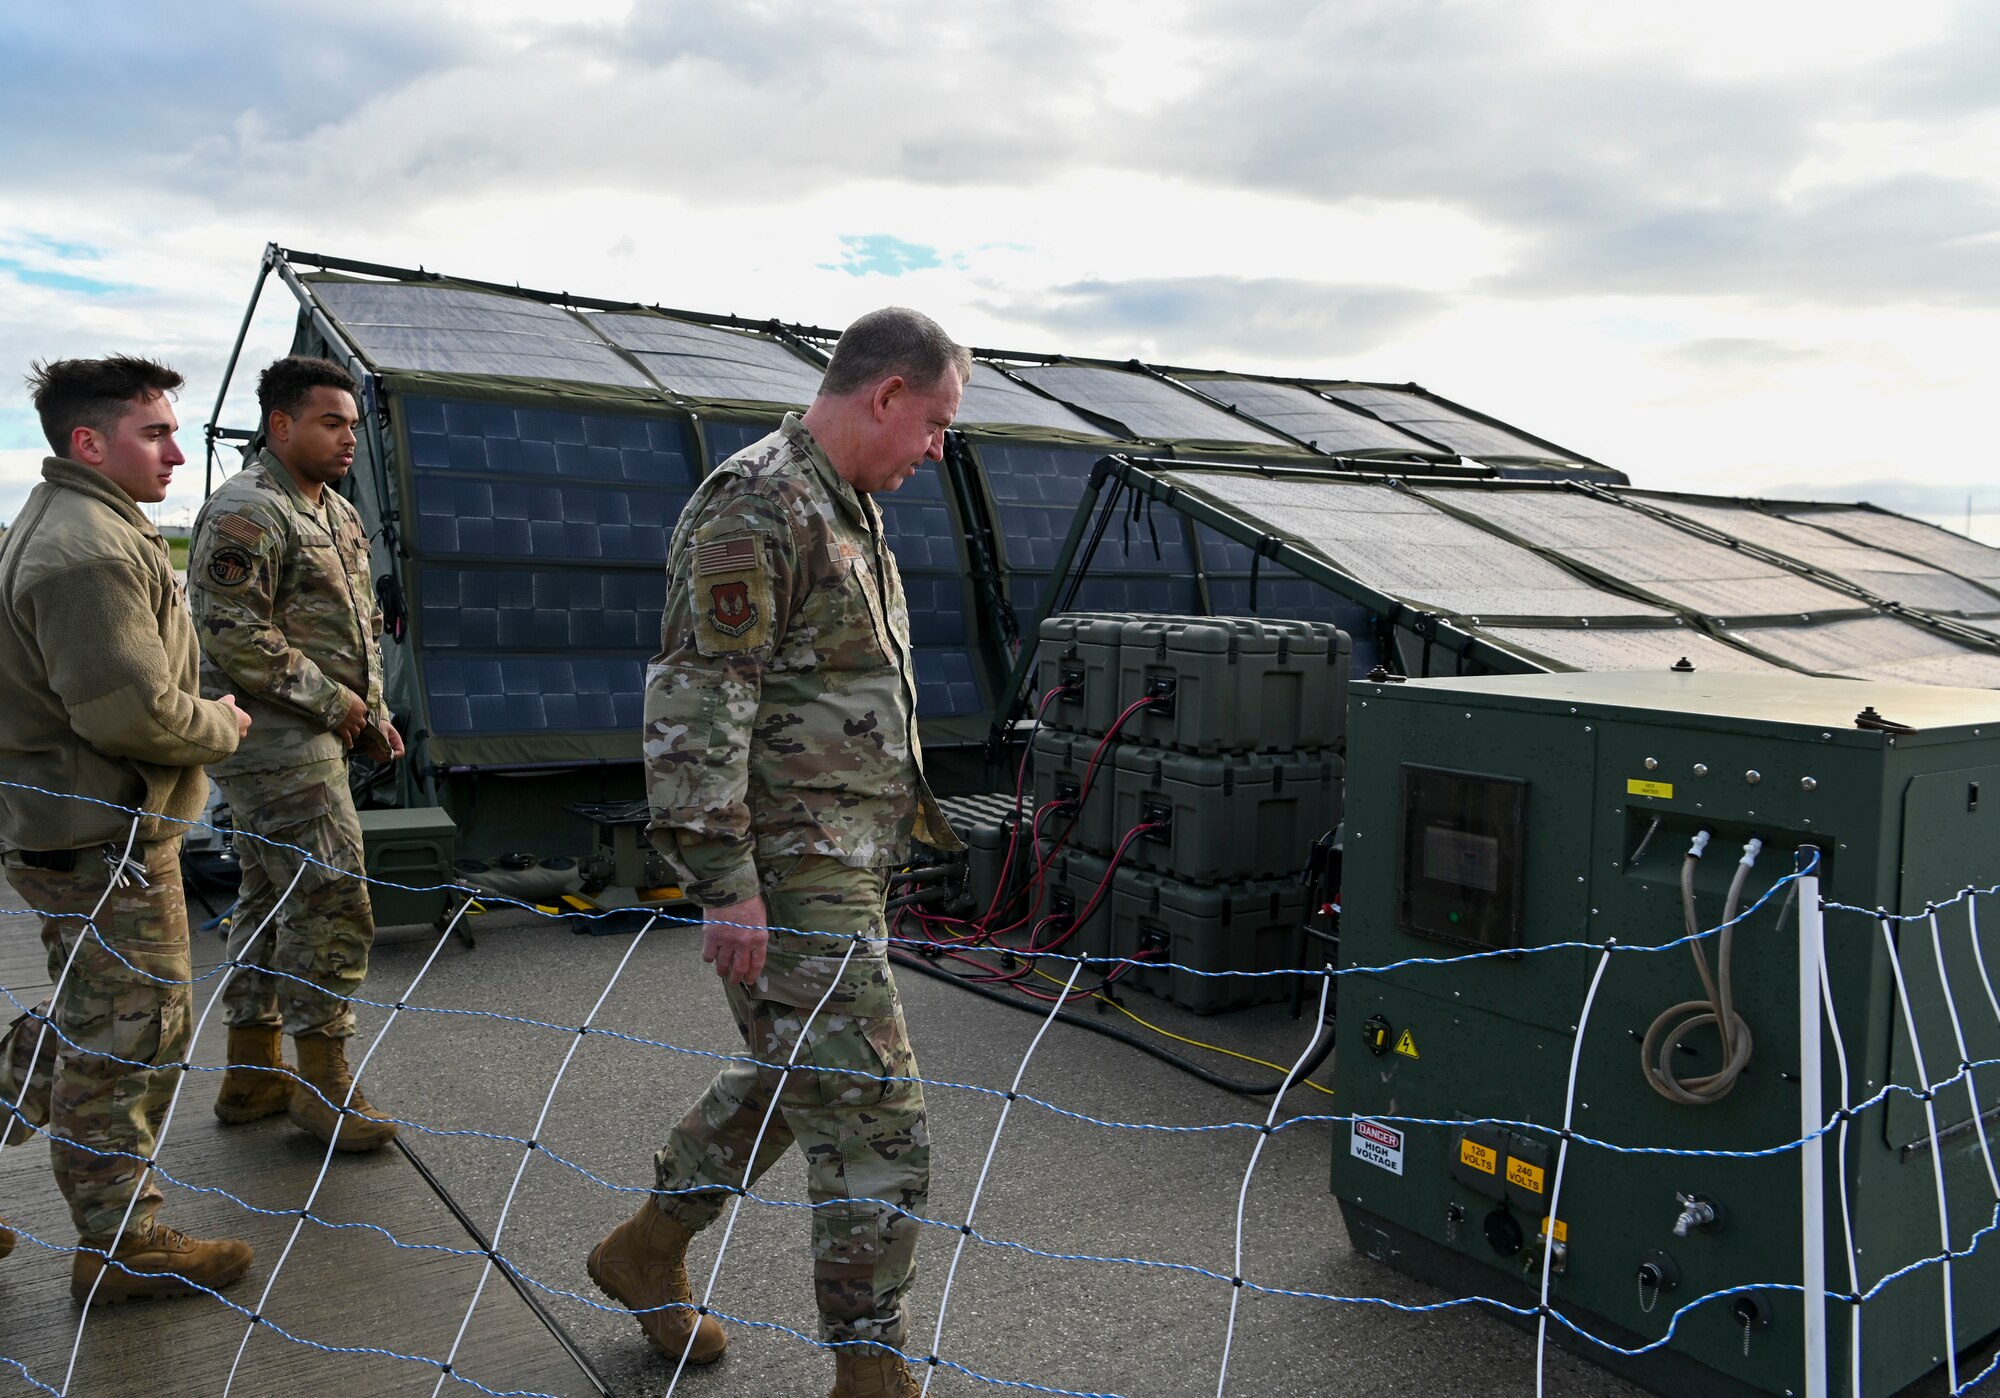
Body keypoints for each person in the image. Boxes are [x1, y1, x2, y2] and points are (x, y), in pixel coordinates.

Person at [589, 308, 968, 1397]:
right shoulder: (759, 501)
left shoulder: (842, 501)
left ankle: (645, 1248)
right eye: (934, 421)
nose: (935, 447)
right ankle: (870, 1366)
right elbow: (699, 700)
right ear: (885, 394)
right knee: (875, 1117)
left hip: (841, 859)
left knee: (798, 1078)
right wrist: (726, 884)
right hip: (789, 873)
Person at [0, 355, 254, 1300]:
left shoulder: (84, 522)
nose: (178, 453)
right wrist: (219, 725)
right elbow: (129, 712)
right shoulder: (91, 550)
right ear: (88, 442)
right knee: (130, 1035)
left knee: (86, 1012)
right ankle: (121, 1244)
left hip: (76, 828)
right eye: (155, 433)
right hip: (106, 840)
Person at [188, 356, 400, 1153]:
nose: (349, 437)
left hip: (314, 733)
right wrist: (339, 706)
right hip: (273, 738)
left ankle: (251, 1074)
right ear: (281, 425)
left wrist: (372, 714)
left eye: (352, 423)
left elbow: (353, 629)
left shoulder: (335, 511)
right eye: (330, 422)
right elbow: (234, 633)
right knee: (329, 897)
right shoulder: (248, 511)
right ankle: (321, 1086)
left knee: (272, 901)